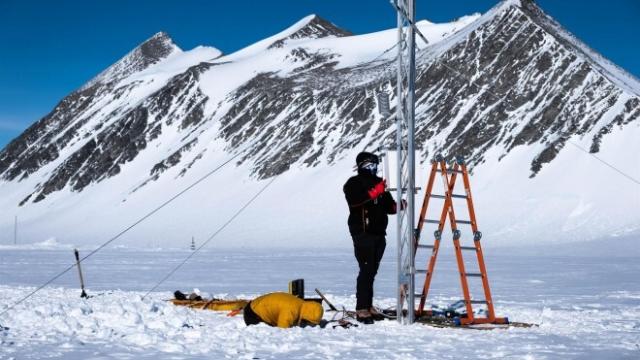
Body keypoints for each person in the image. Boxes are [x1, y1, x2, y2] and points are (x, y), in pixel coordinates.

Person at [343, 151, 398, 324]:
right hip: (362, 231)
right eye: (369, 165)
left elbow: (389, 207)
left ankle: (368, 305)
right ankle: (361, 308)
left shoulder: (380, 183)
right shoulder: (354, 183)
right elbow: (355, 201)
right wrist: (375, 192)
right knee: (366, 269)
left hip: (379, 232)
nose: (373, 168)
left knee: (372, 270)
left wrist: (400, 205)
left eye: (375, 165)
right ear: (360, 166)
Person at [243, 292, 324, 328]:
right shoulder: (291, 312)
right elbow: (282, 332)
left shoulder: (300, 304)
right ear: (307, 316)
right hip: (253, 313)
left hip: (256, 306)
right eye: (309, 322)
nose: (308, 325)